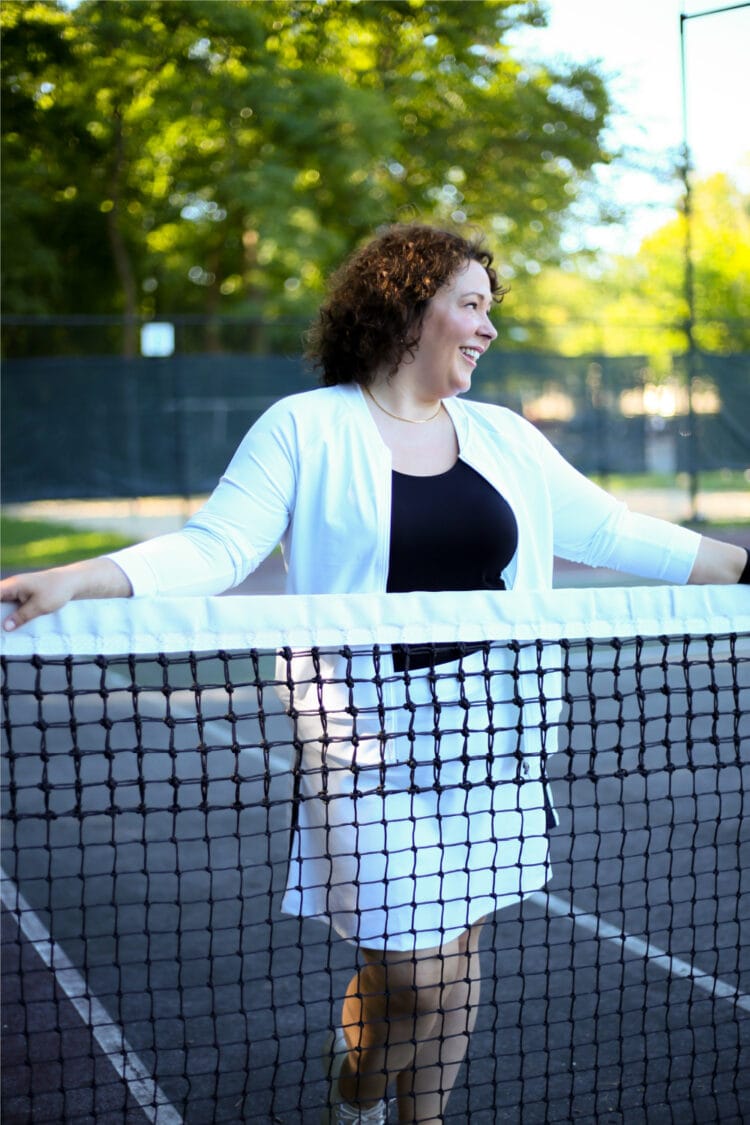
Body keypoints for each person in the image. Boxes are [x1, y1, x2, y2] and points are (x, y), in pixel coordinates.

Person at [2, 223, 747, 1125]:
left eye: (488, 310)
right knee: (414, 971)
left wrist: (743, 567)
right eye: (470, 305)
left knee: (460, 943)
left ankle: (420, 1120)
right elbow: (216, 550)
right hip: (364, 746)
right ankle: (355, 1085)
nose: (488, 329)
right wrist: (75, 580)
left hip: (497, 742)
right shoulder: (303, 429)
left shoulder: (504, 437)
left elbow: (618, 532)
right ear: (406, 305)